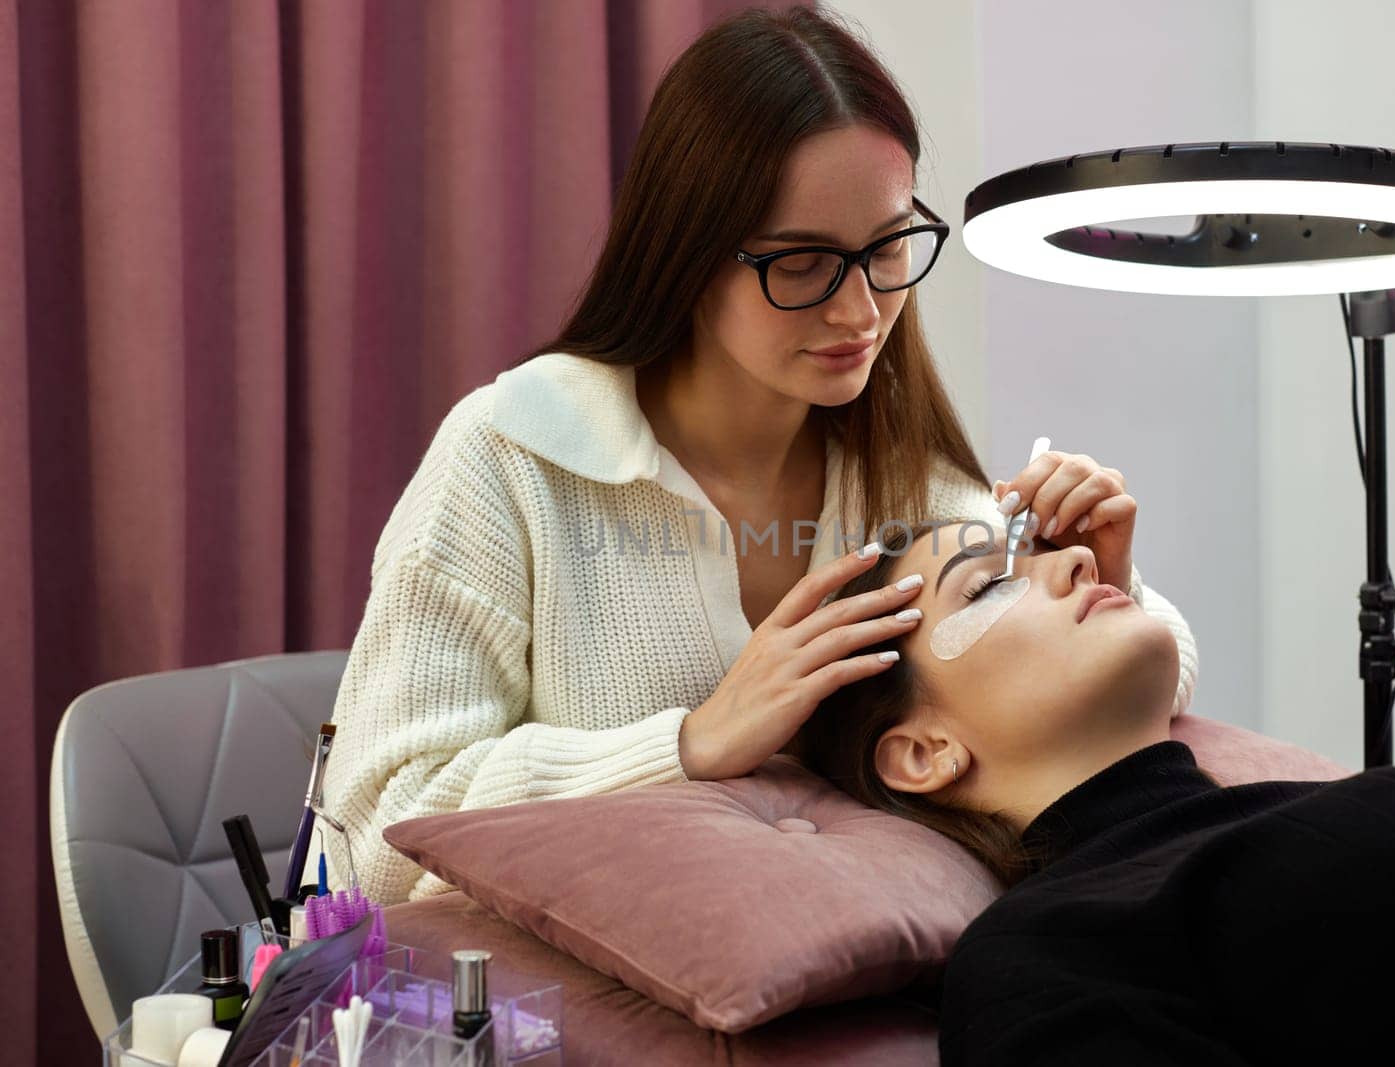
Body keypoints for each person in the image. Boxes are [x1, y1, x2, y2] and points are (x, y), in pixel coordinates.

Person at [317, 4, 1199, 905]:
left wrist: (1111, 577)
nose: (861, 314)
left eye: (888, 245)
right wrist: (689, 743)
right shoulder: (514, 459)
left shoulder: (905, 476)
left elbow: (1129, 672)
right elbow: (374, 836)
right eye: (804, 263)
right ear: (687, 254)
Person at [790, 518, 1395, 1065]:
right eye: (989, 586)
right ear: (924, 752)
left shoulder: (1299, 807)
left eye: (1041, 546)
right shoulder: (1044, 955)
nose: (1077, 559)